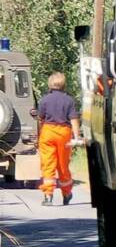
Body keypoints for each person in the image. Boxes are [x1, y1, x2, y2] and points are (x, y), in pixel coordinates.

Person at [37, 72, 80, 206]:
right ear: (63, 84)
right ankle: (66, 193)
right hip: (64, 133)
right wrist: (77, 137)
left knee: (47, 164)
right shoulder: (69, 100)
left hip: (48, 132)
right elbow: (73, 120)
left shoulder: (44, 100)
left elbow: (40, 118)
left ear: (50, 84)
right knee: (63, 164)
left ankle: (48, 196)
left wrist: (39, 135)